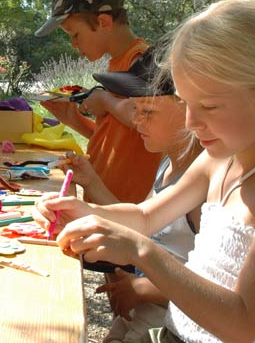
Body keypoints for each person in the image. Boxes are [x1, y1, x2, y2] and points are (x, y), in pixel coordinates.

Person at [34, 0, 255, 343]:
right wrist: (84, 211)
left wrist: (141, 252)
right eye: (187, 103)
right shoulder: (216, 161)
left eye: (207, 106)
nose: (191, 122)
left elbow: (242, 323)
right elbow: (146, 216)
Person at [87, 47, 203, 342]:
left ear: (190, 108)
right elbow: (143, 220)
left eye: (147, 111)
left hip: (171, 323)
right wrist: (88, 186)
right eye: (134, 109)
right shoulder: (168, 164)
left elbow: (219, 285)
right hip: (145, 313)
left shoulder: (205, 187)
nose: (136, 120)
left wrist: (144, 289)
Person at [35, 0, 160, 203]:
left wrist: (103, 101)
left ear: (103, 22)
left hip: (126, 208)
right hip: (103, 200)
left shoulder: (142, 61)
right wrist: (72, 118)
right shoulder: (116, 64)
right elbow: (118, 137)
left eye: (75, 34)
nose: (73, 44)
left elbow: (143, 118)